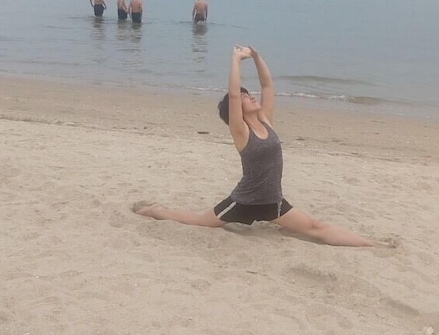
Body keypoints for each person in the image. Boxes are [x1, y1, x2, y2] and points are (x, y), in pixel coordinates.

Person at [136, 46, 374, 246]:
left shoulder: (265, 121)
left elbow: (268, 86)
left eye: (249, 94)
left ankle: (373, 244)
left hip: (273, 202)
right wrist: (236, 60)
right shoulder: (241, 132)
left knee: (315, 227)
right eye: (245, 97)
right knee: (201, 221)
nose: (250, 97)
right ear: (236, 110)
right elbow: (233, 95)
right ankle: (155, 211)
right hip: (244, 201)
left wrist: (257, 58)